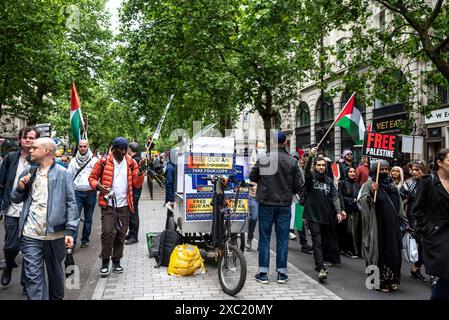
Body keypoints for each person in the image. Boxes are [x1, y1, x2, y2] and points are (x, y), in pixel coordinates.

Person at [11, 138, 79, 300]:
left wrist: (70, 230)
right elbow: (15, 199)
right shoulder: (28, 172)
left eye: (35, 147)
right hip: (30, 234)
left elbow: (71, 203)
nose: (31, 150)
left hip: (55, 235)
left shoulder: (64, 173)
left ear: (47, 151)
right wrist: (20, 188)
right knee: (33, 278)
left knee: (55, 275)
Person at [250, 132, 304, 284]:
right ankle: (281, 273)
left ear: (272, 143)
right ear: (285, 142)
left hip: (266, 203)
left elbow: (253, 176)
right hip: (284, 205)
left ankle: (263, 273)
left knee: (264, 238)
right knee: (282, 239)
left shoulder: (264, 158)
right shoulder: (292, 161)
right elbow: (299, 184)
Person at [88, 137, 144, 277]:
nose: (124, 152)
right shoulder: (103, 162)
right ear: (114, 149)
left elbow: (137, 184)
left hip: (124, 205)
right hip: (108, 204)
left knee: (120, 234)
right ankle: (105, 262)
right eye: (121, 149)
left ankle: (117, 261)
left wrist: (141, 172)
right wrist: (98, 186)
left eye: (126, 150)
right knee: (108, 232)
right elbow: (92, 178)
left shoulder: (131, 163)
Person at [0, 126, 39, 289]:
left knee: (28, 247)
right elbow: (1, 184)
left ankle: (26, 281)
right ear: (19, 139)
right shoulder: (10, 158)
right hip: (11, 209)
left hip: (30, 210)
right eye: (25, 137)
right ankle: (9, 265)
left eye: (31, 138)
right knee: (11, 246)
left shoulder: (38, 160)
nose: (28, 140)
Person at [359, 160, 404, 292]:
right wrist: (372, 193)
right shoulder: (369, 184)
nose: (384, 171)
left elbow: (399, 202)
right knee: (377, 253)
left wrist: (401, 218)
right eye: (381, 169)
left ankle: (393, 279)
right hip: (377, 226)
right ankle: (378, 282)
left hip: (393, 226)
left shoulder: (391, 184)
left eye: (386, 169)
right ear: (374, 170)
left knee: (394, 252)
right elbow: (362, 201)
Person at [303, 147, 345, 281]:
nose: (321, 167)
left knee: (323, 241)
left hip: (325, 216)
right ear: (315, 166)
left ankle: (320, 263)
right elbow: (306, 171)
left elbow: (335, 196)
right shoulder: (311, 178)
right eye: (319, 165)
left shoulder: (328, 181)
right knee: (317, 241)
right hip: (312, 215)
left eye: (323, 165)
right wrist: (310, 156)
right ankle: (320, 267)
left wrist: (338, 211)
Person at [413, 149, 449, 300]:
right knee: (446, 273)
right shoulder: (428, 182)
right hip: (437, 236)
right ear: (440, 163)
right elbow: (417, 211)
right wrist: (428, 230)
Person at [400, 161, 428, 283]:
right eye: (414, 170)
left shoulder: (430, 183)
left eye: (418, 169)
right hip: (413, 221)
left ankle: (416, 269)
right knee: (421, 248)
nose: (415, 172)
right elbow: (400, 200)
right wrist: (402, 217)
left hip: (428, 221)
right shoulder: (408, 184)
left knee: (427, 248)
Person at [67, 139, 98, 249]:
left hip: (90, 193)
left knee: (88, 218)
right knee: (74, 218)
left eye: (84, 146)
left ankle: (85, 239)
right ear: (78, 147)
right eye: (80, 146)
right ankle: (72, 242)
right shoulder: (73, 161)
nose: (82, 148)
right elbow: (69, 177)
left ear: (88, 146)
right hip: (77, 193)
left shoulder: (94, 160)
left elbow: (98, 175)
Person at [337, 167, 361, 258]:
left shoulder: (357, 184)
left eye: (354, 171)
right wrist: (351, 200)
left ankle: (353, 250)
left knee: (354, 231)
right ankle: (346, 249)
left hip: (355, 211)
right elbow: (340, 196)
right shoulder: (342, 183)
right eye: (350, 171)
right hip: (346, 211)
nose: (352, 173)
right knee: (348, 230)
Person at [246, 142, 266, 250]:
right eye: (260, 148)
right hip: (253, 193)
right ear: (256, 148)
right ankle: (249, 238)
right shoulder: (251, 160)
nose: (261, 150)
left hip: (265, 195)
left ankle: (261, 243)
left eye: (263, 148)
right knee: (253, 217)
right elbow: (249, 175)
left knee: (263, 220)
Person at [125, 142, 142, 245]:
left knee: (133, 212)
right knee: (131, 211)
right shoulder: (138, 159)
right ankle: (131, 233)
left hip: (134, 189)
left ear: (130, 149)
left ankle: (134, 236)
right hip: (134, 189)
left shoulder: (134, 160)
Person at [164, 150, 176, 230]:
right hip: (171, 197)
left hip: (172, 196)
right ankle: (169, 233)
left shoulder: (172, 166)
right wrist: (170, 199)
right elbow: (169, 184)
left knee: (171, 216)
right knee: (171, 216)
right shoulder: (170, 168)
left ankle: (169, 232)